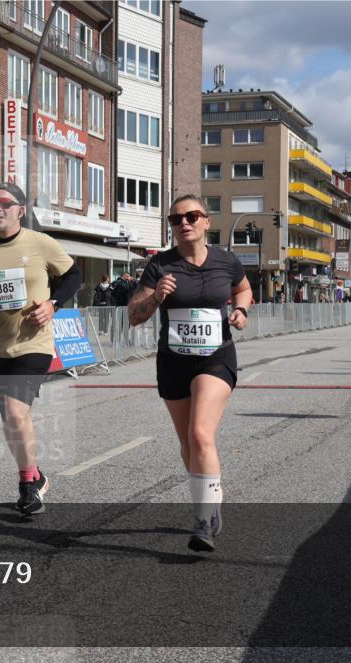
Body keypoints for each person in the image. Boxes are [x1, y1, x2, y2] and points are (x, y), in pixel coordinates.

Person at [128, 194, 250, 552]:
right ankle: (211, 492)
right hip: (173, 360)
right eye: (176, 219)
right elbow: (133, 316)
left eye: (192, 216)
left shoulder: (227, 262)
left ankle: (202, 520)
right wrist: (155, 299)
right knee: (188, 444)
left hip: (215, 358)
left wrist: (241, 311)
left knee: (200, 433)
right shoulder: (160, 266)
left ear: (206, 221)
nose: (184, 223)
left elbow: (243, 290)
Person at [0, 182, 81, 515]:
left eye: (5, 203)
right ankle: (36, 475)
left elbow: (73, 276)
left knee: (14, 412)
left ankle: (27, 485)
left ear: (20, 210)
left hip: (32, 343)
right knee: (11, 421)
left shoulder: (40, 243)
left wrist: (52, 304)